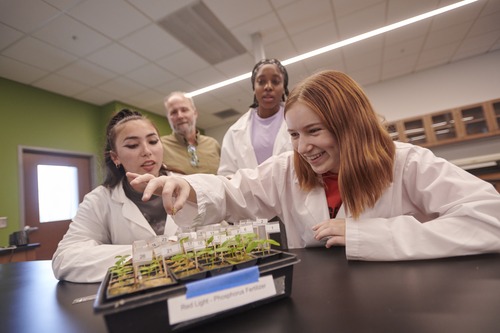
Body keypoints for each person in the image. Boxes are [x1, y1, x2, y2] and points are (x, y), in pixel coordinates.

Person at [130, 70, 500, 261]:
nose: (302, 147)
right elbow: (235, 189)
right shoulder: (288, 169)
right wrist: (191, 187)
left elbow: (489, 219)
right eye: (293, 134)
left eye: (314, 131)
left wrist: (371, 235)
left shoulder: (406, 163)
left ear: (350, 125)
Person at [52, 109, 179, 283]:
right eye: (133, 145)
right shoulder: (99, 200)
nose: (147, 151)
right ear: (115, 157)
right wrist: (148, 253)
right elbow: (65, 259)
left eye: (153, 141)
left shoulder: (191, 187)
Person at [218, 58, 292, 177]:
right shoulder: (235, 131)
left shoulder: (296, 122)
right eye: (261, 82)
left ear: (284, 87)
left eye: (275, 81)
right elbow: (227, 175)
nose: (268, 87)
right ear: (254, 88)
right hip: (249, 195)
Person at [162, 91, 220, 174]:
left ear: (195, 113)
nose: (180, 116)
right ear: (168, 118)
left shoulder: (213, 144)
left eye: (184, 110)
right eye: (173, 112)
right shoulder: (161, 146)